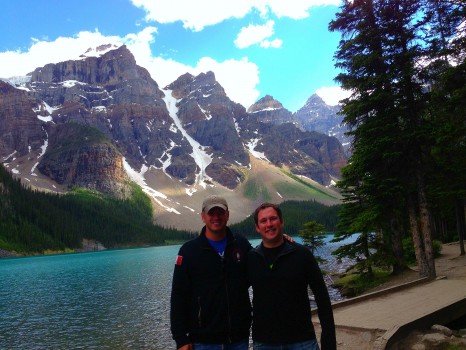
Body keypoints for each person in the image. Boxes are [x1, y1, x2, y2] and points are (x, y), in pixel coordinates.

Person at [247, 202, 336, 350]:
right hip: (264, 343)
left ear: (282, 222)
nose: (269, 224)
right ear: (257, 227)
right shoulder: (251, 258)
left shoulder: (302, 254)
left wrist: (328, 343)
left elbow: (323, 299)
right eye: (263, 221)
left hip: (302, 341)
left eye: (273, 219)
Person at [170, 195, 252, 350]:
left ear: (227, 215)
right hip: (203, 341)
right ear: (203, 216)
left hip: (238, 339)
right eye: (211, 213)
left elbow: (261, 265)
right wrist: (181, 339)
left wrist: (280, 242)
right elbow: (179, 296)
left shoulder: (241, 244)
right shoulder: (188, 251)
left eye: (220, 212)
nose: (216, 217)